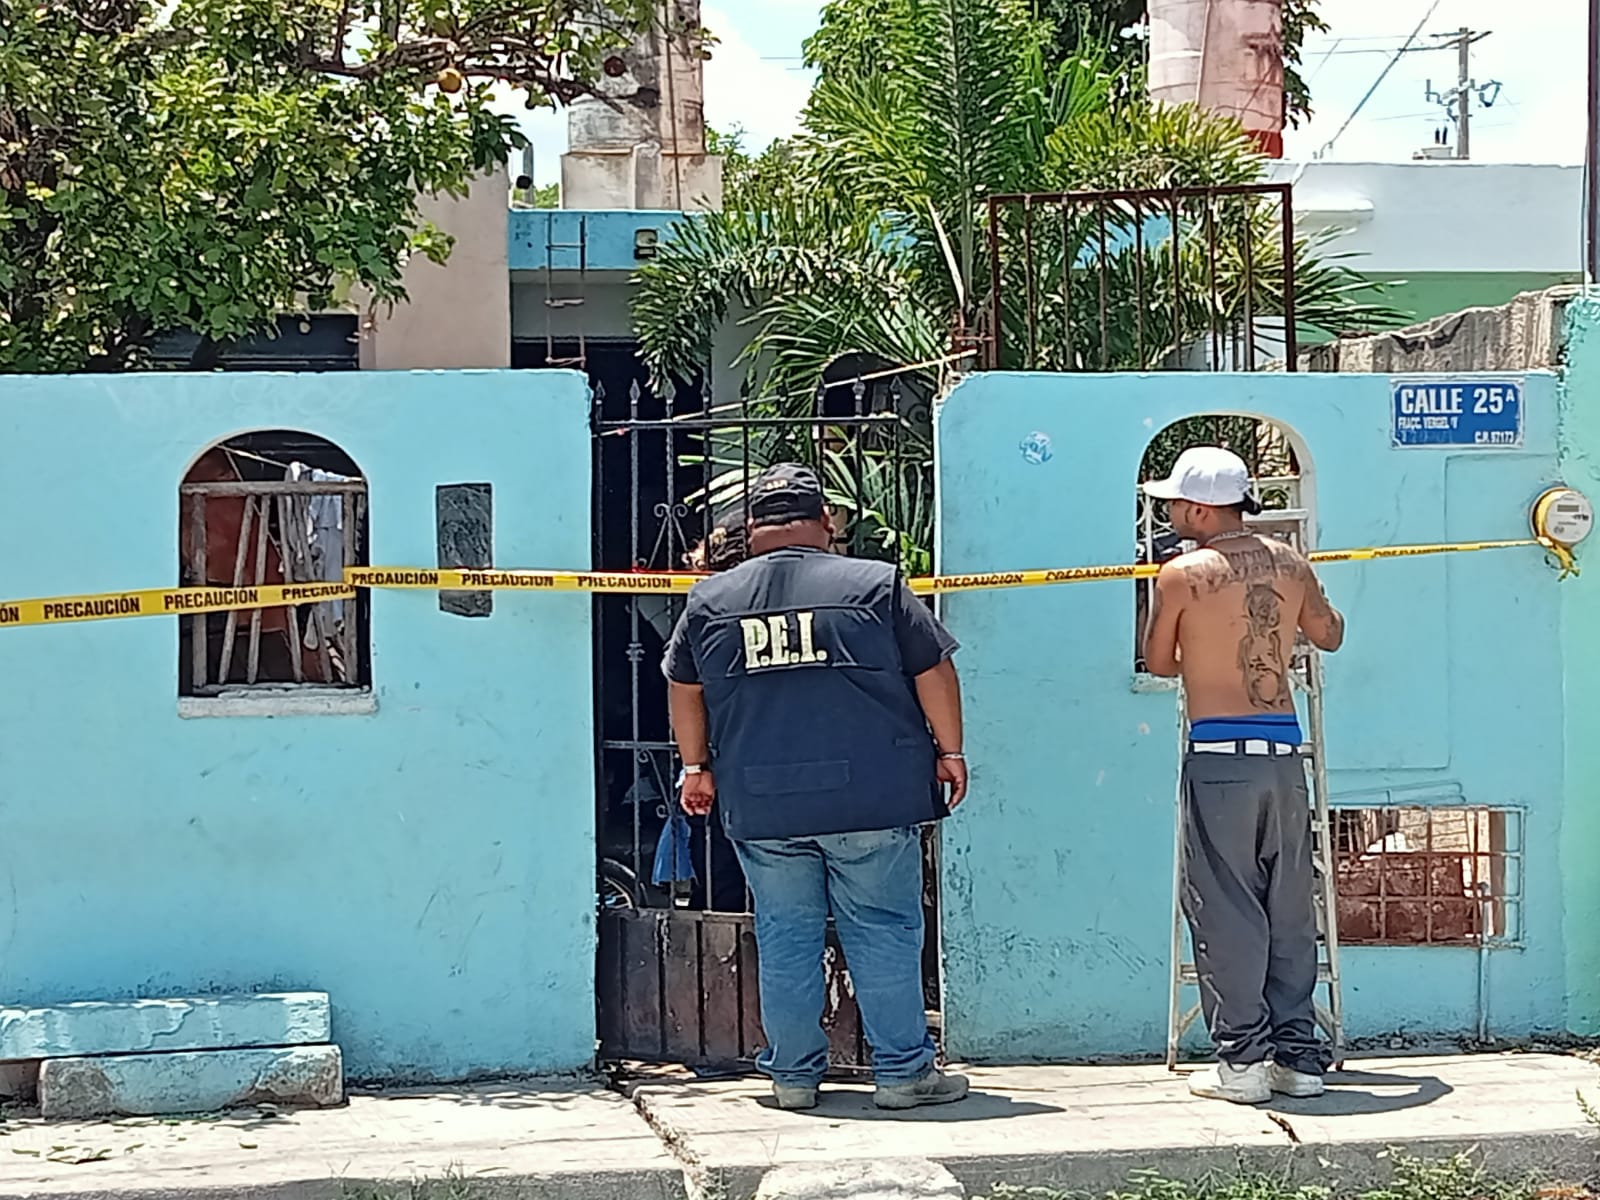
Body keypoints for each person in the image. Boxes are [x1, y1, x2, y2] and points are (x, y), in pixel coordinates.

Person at [662, 463, 970, 1112]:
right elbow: (933, 669)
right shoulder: (876, 584)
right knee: (882, 929)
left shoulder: (711, 600)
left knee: (786, 933)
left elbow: (684, 687)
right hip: (873, 796)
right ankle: (903, 1074)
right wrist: (950, 751)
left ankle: (794, 1079)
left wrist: (696, 768)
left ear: (749, 530)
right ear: (828, 522)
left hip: (763, 801)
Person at [1140, 446, 1346, 1106]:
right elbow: (1331, 633)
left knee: (1225, 907)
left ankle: (1244, 1062)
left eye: (1173, 503)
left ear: (1200, 508)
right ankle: (1301, 1059)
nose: (1169, 512)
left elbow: (1161, 663)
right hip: (1285, 755)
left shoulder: (1179, 574)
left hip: (1220, 757)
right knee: (1288, 904)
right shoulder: (1291, 562)